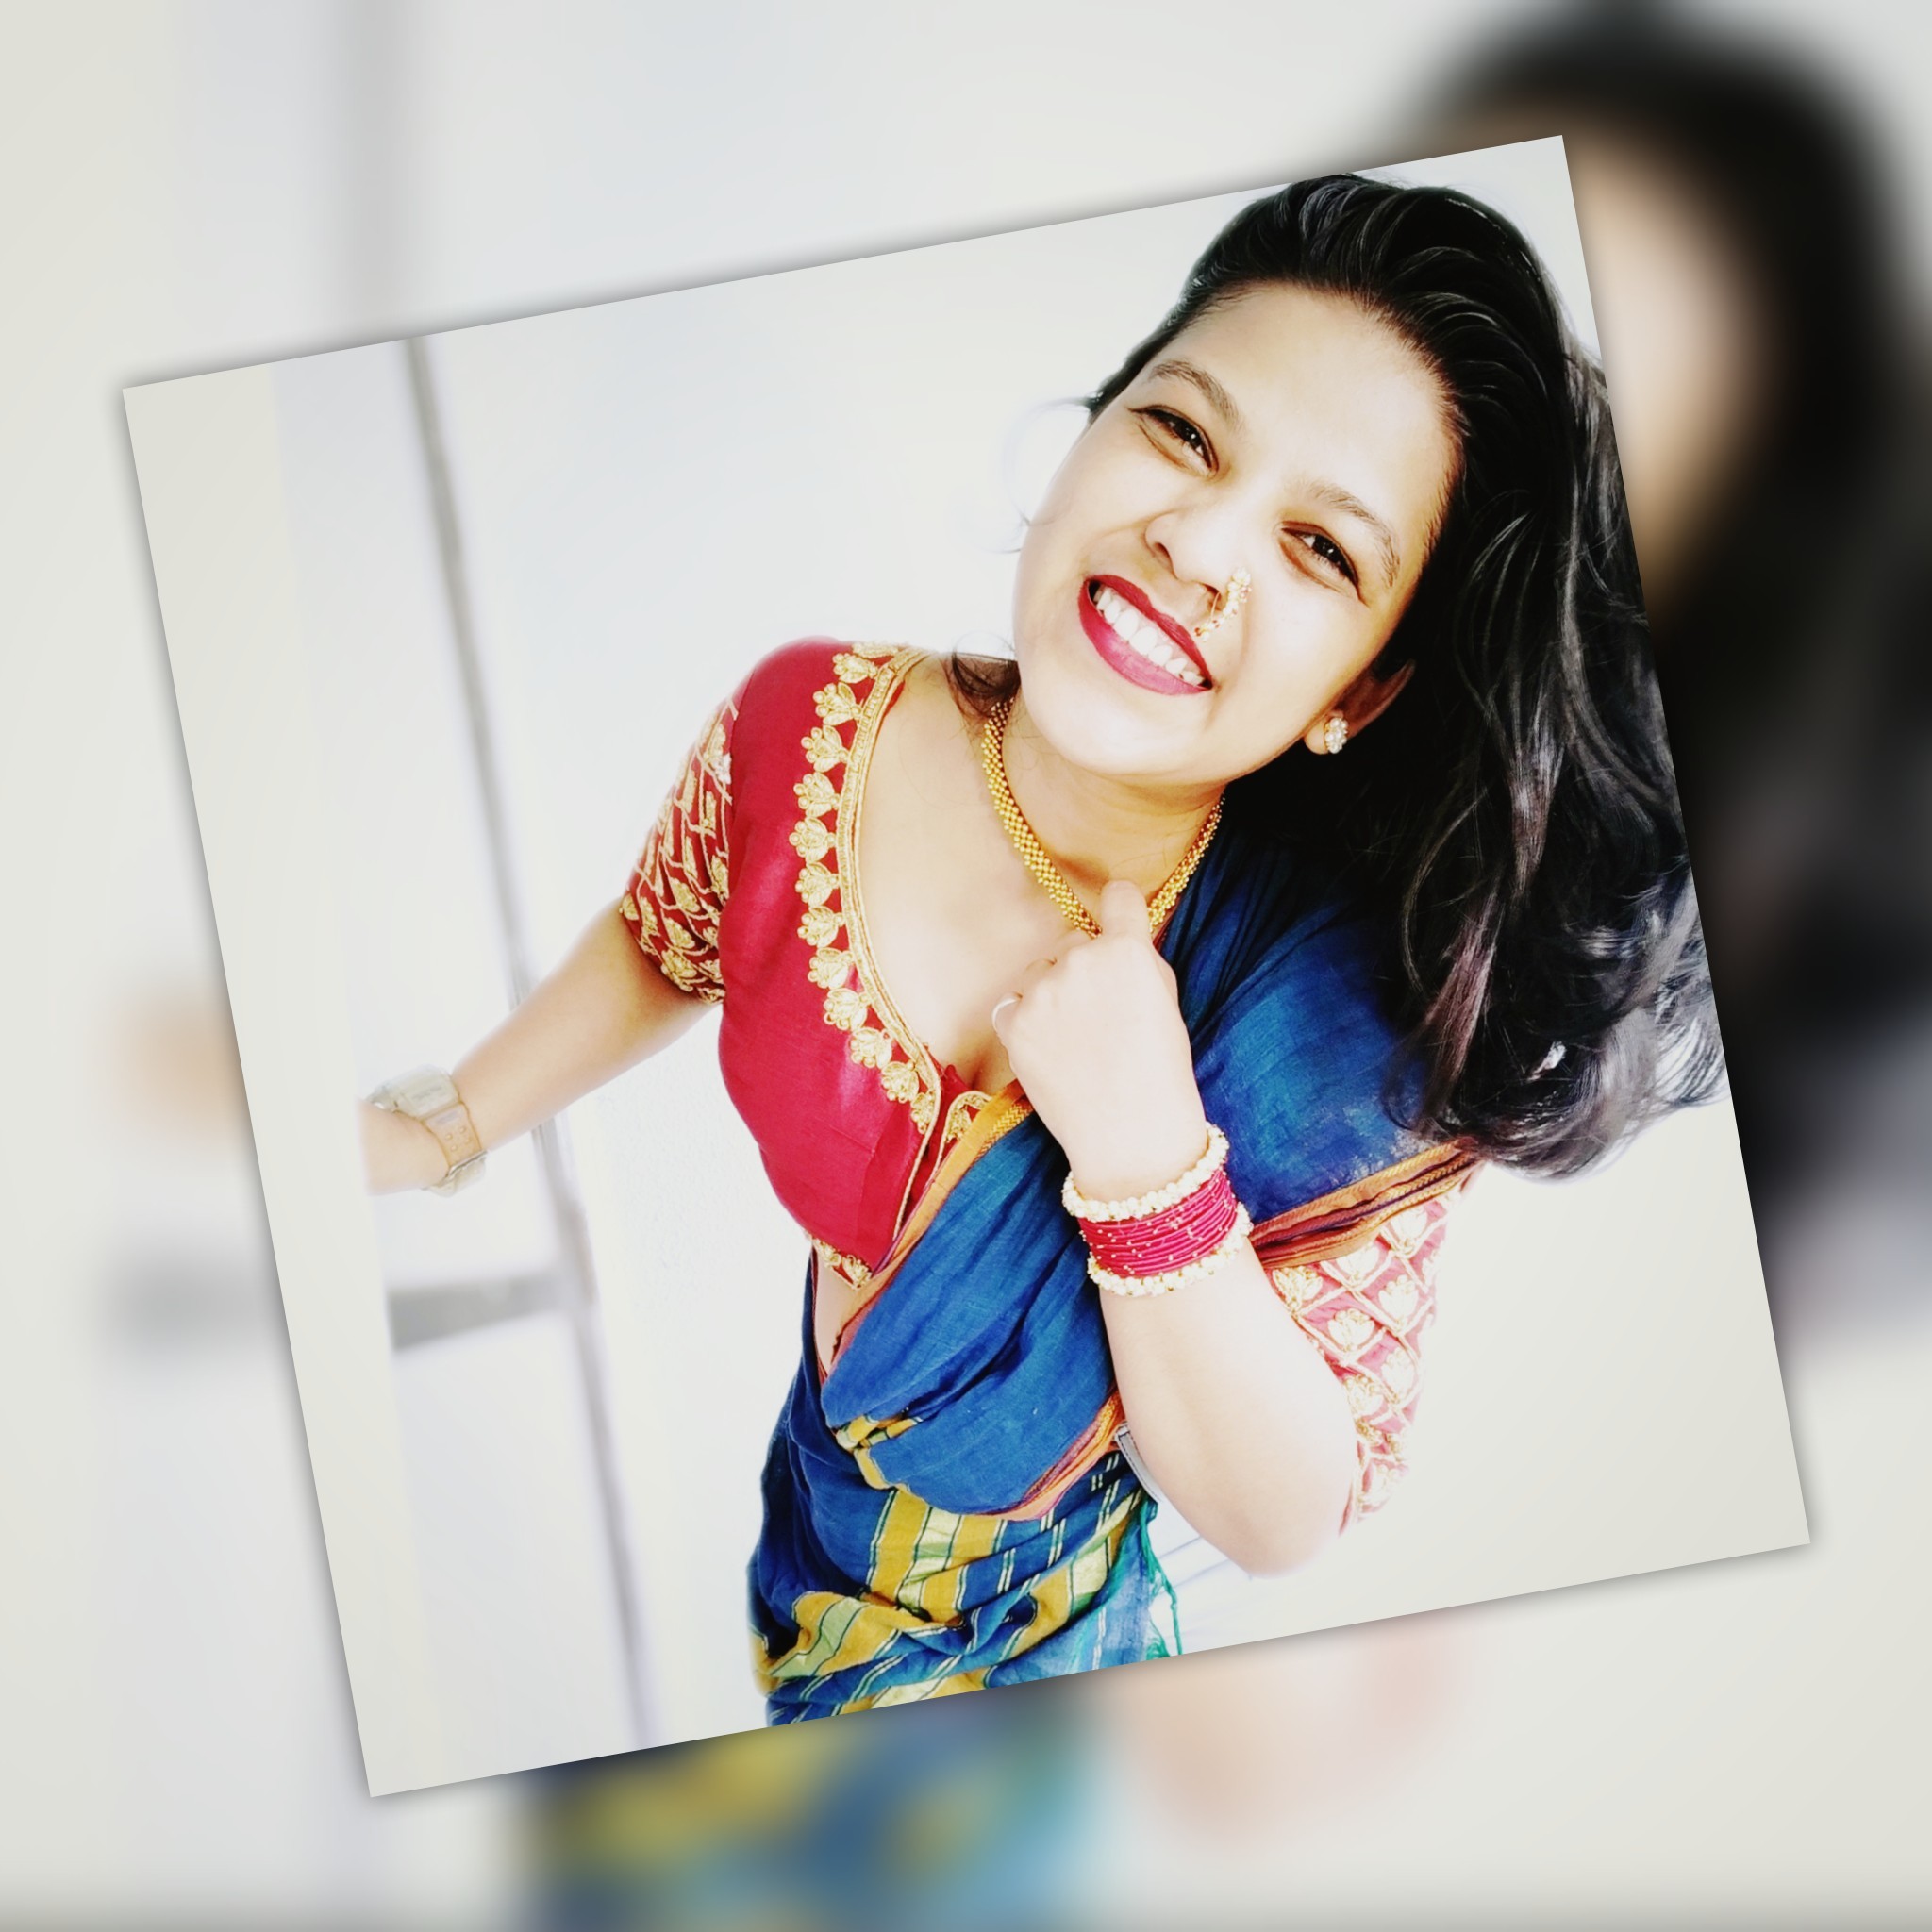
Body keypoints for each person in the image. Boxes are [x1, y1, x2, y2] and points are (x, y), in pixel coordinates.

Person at [361, 174, 1717, 1722]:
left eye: (1321, 550)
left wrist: (1147, 1156)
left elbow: (1286, 1513)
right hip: (816, 1541)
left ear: (1362, 689)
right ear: (1090, 429)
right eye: (1183, 432)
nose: (1198, 540)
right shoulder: (812, 734)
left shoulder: (1338, 1025)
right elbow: (668, 941)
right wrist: (437, 1130)